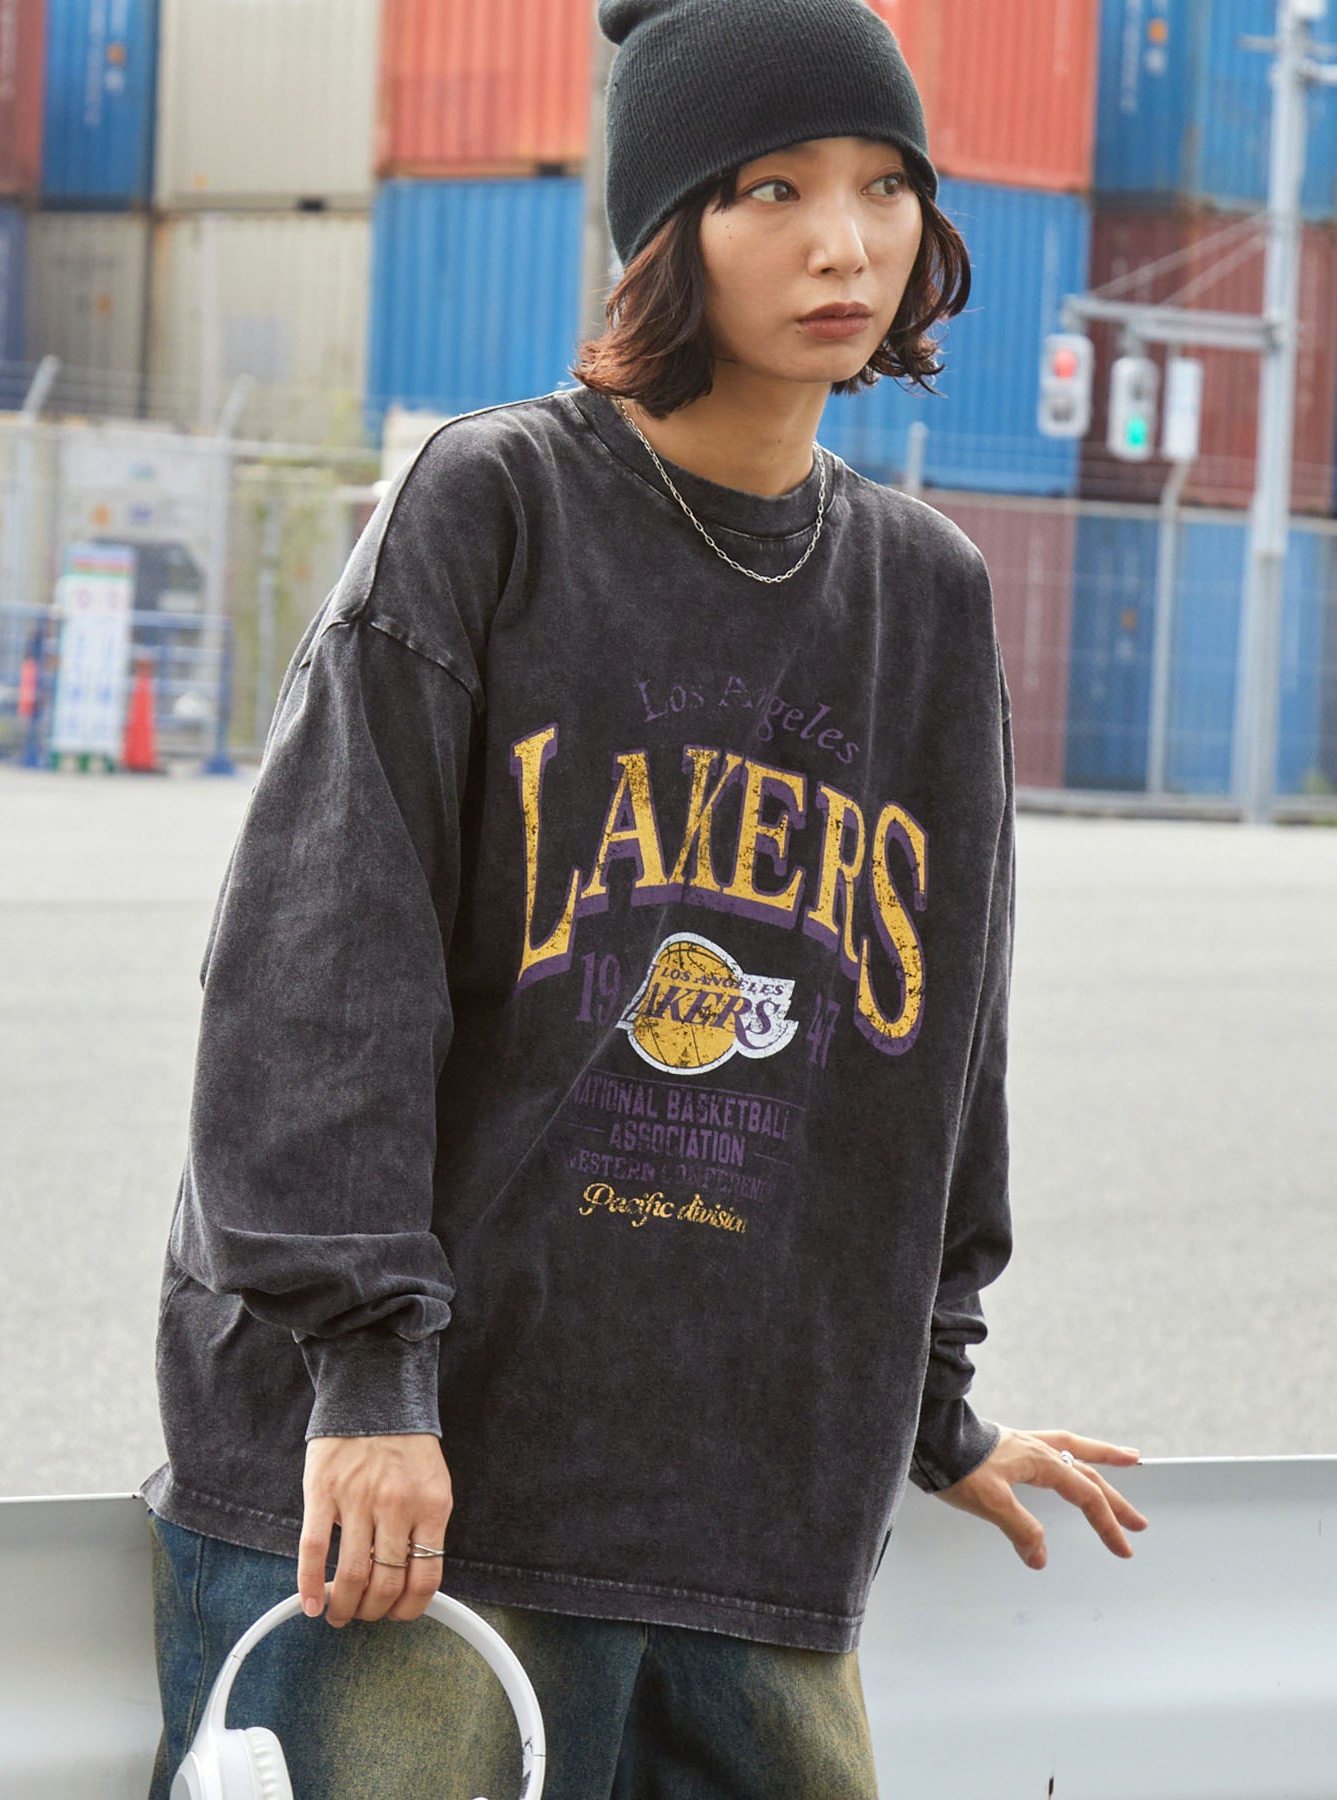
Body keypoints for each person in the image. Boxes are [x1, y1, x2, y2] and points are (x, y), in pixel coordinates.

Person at [138, 2, 1149, 1794]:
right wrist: (366, 1381)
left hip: (743, 1515)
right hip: (421, 1502)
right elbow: (323, 963)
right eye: (773, 189)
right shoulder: (498, 504)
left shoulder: (926, 596)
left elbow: (936, 1053)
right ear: (667, 229)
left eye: (885, 186)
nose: (845, 245)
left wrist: (933, 1406)